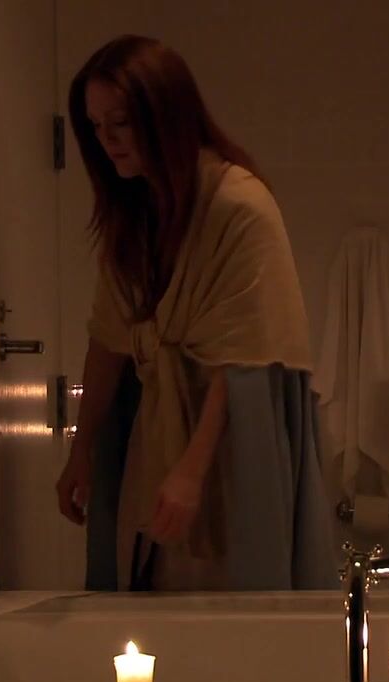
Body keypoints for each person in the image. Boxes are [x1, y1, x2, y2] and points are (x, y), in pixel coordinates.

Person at [54, 35, 335, 592]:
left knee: (228, 594)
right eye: (95, 126)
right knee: (146, 588)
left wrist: (191, 469)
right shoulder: (134, 211)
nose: (107, 140)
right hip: (154, 431)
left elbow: (246, 355)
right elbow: (108, 340)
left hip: (232, 437)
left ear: (165, 115)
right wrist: (81, 450)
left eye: (121, 122)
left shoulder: (237, 204)